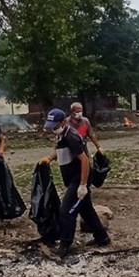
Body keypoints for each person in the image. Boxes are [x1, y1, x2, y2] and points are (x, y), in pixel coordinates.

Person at [40, 108, 110, 257]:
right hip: (71, 178)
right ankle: (102, 237)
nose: (53, 129)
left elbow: (84, 161)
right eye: (51, 126)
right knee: (86, 210)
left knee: (66, 211)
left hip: (78, 179)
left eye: (55, 125)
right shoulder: (60, 135)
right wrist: (49, 159)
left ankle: (65, 245)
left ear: (63, 122)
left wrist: (83, 185)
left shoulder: (71, 136)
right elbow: (58, 150)